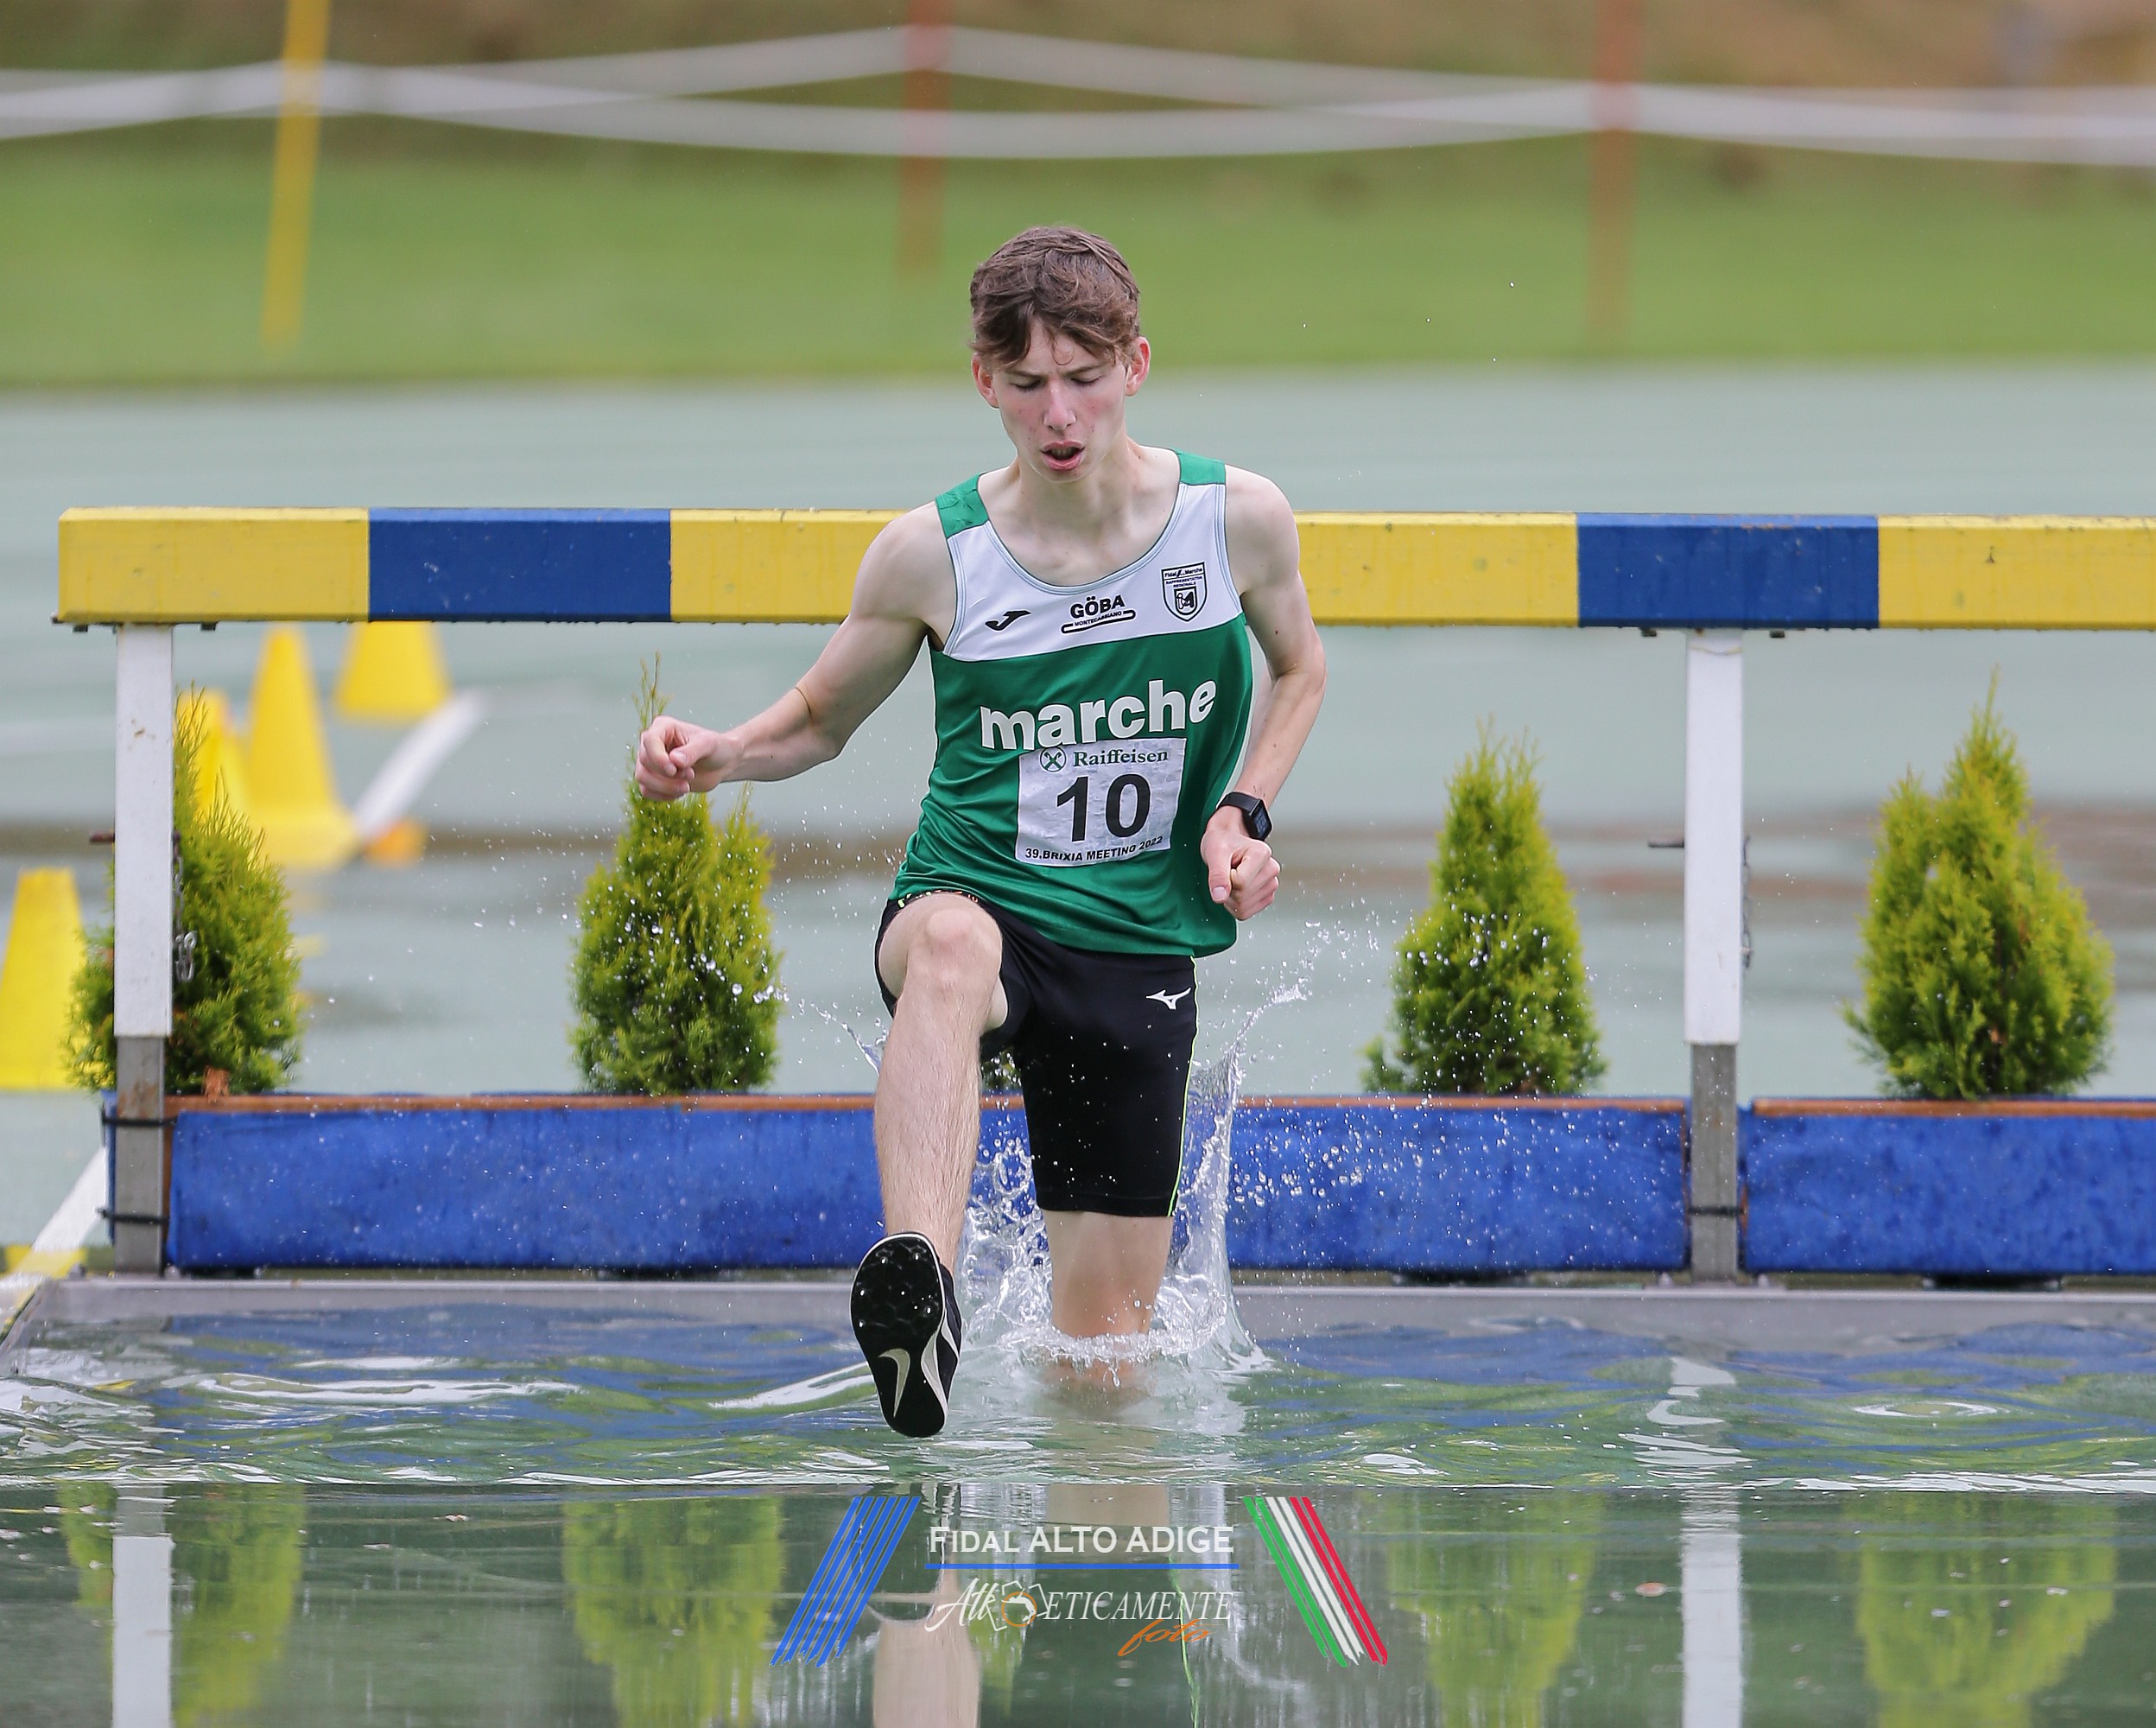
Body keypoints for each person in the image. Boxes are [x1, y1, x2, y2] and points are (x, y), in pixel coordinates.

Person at [635, 226, 1326, 1437]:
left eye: (1084, 378)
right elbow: (820, 718)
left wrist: (1242, 810)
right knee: (948, 948)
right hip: (980, 903)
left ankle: (1071, 1524)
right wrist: (721, 753)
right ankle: (922, 1287)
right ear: (984, 383)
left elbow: (1302, 671)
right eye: (1026, 383)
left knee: (1105, 1374)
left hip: (1136, 948)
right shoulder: (933, 554)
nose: (1058, 414)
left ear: (1136, 365)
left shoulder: (1237, 521)